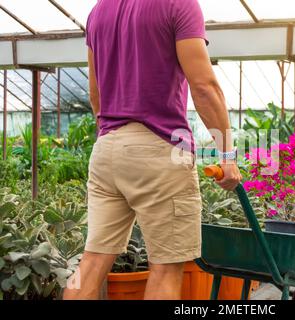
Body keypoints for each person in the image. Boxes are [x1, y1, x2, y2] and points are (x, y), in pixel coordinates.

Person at [63, 0, 241, 300]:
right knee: (166, 267)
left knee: (92, 262)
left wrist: (115, 137)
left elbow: (96, 94)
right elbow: (204, 87)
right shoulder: (179, 4)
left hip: (107, 148)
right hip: (159, 148)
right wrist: (227, 156)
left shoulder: (99, 11)